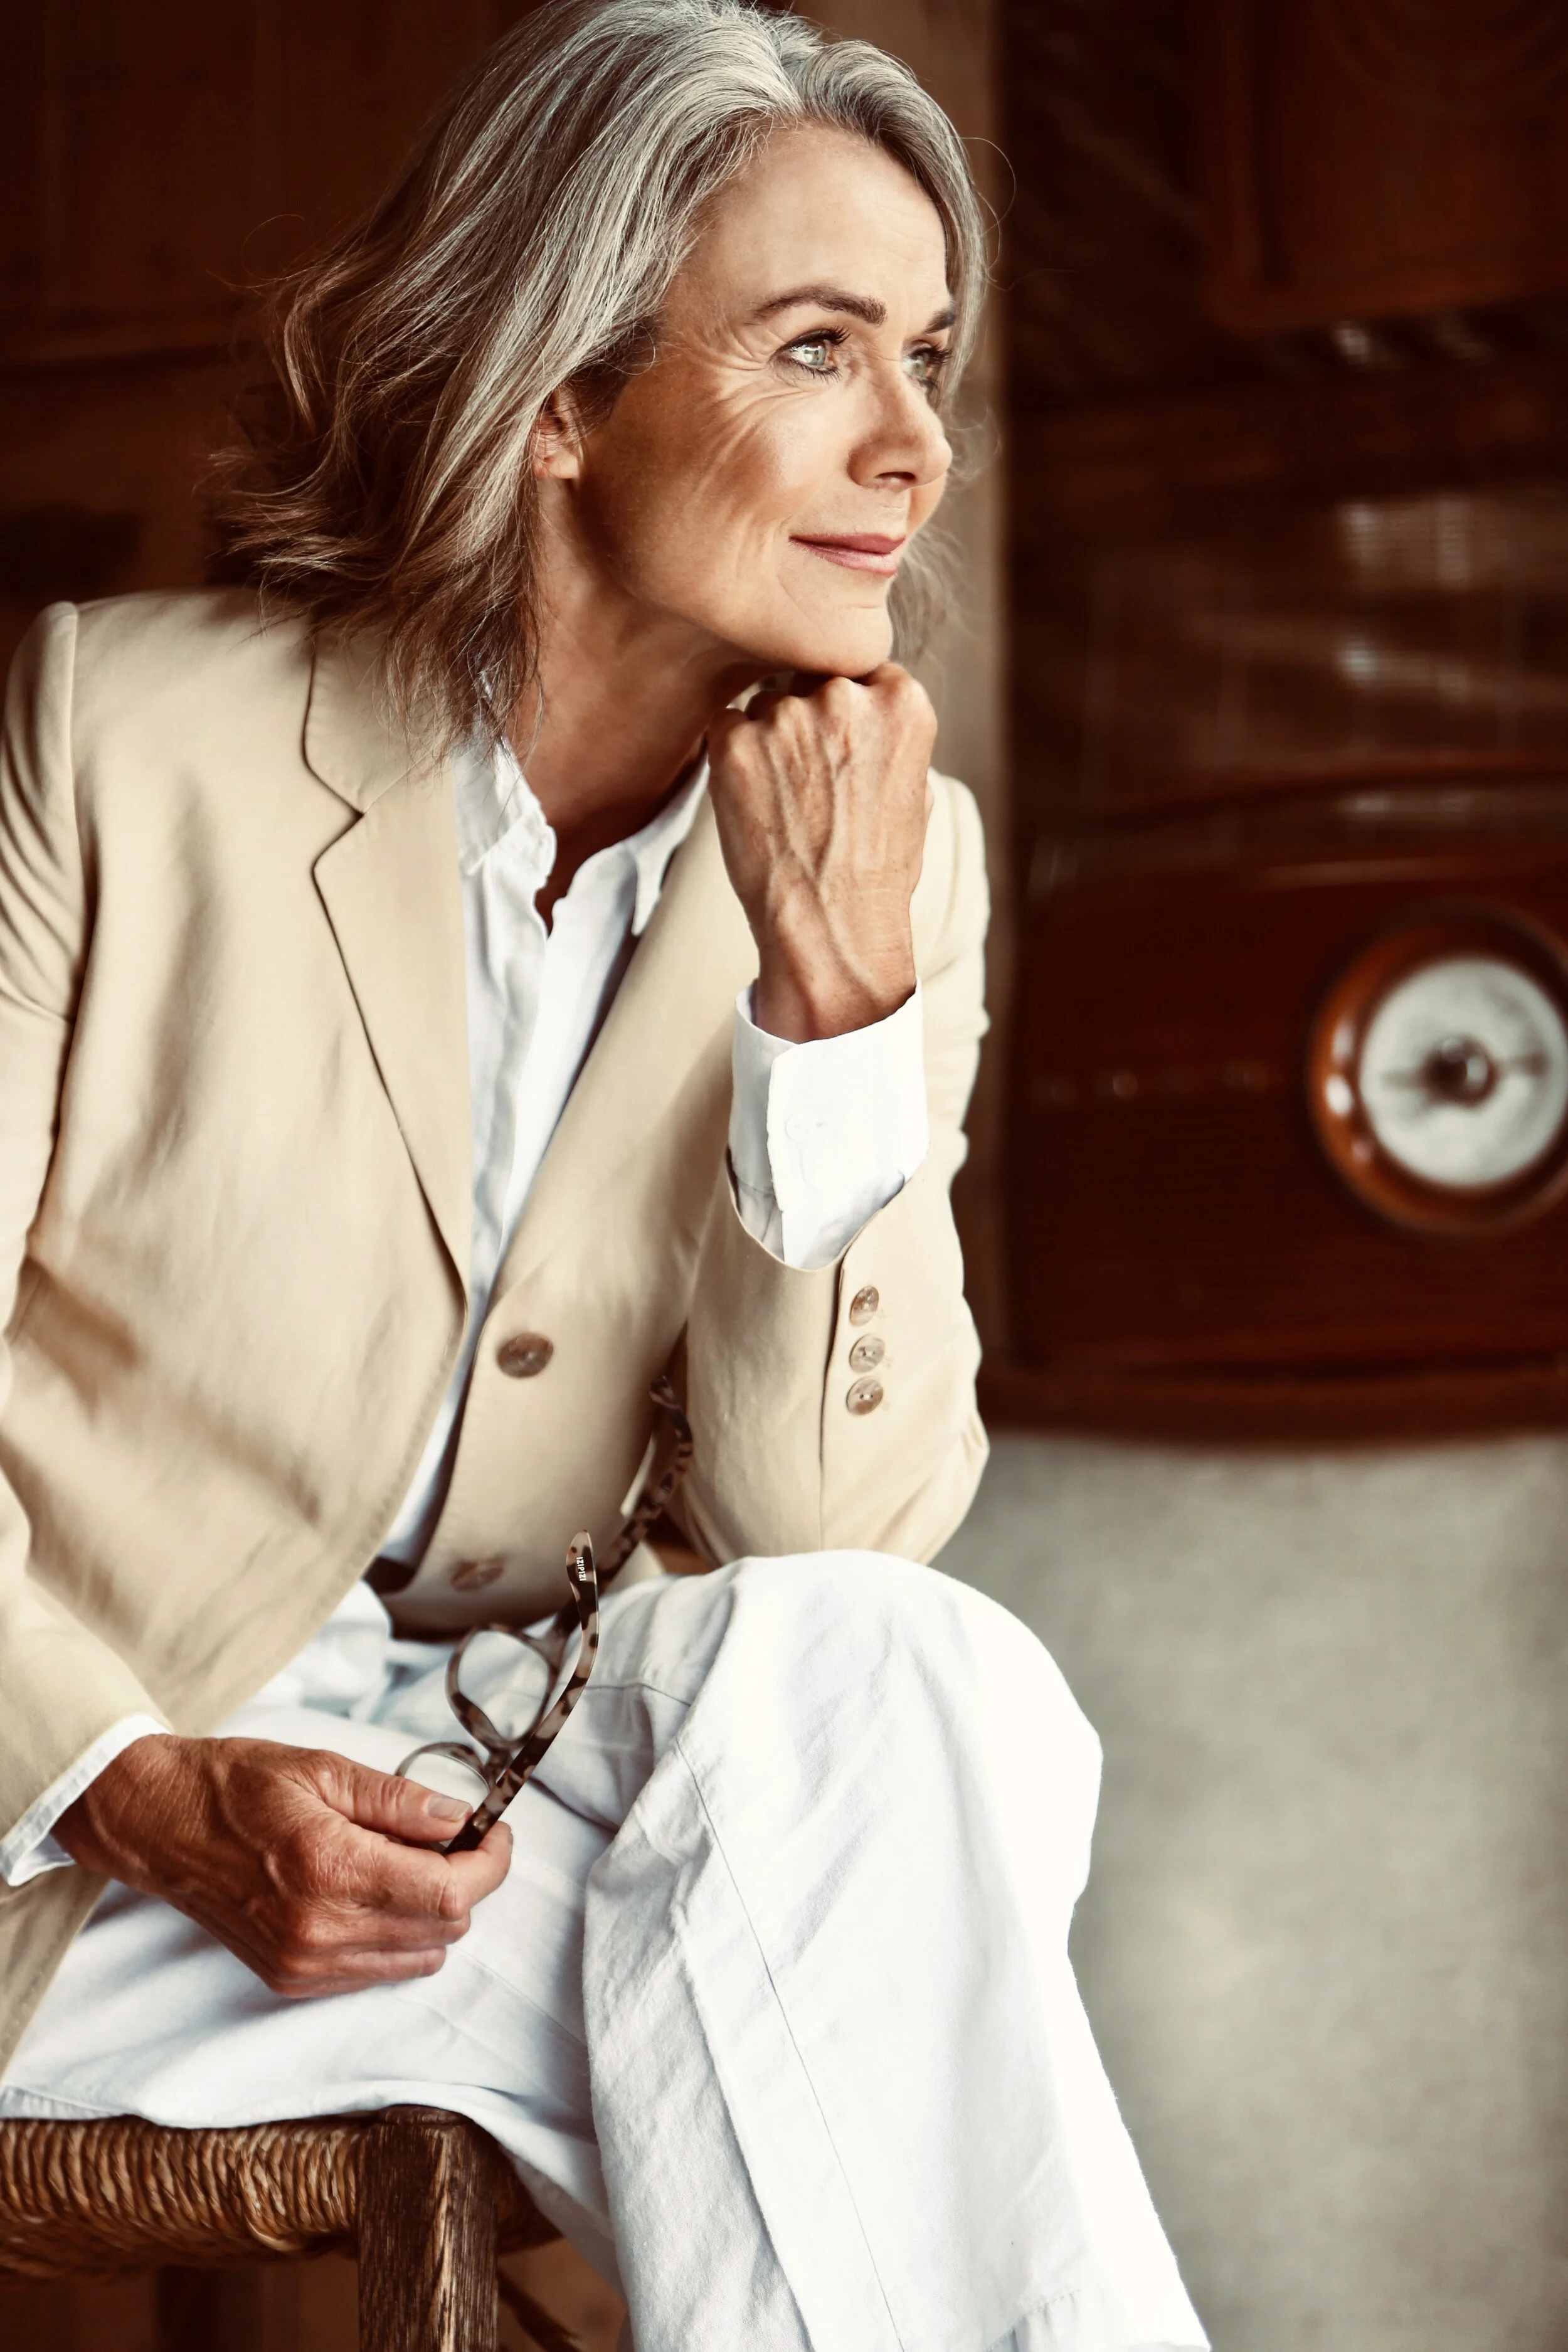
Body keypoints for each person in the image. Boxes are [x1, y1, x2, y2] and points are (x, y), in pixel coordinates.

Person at [0, 3, 1206, 2344]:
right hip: (72, 1823)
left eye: (926, 357)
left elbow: (827, 1540)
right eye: (816, 347)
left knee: (901, 1669)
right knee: (838, 2005)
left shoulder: (894, 861)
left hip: (513, 1787)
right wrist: (135, 1782)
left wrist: (831, 1009)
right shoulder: (119, 736)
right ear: (558, 396)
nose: (910, 444)